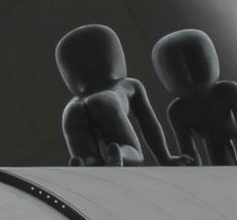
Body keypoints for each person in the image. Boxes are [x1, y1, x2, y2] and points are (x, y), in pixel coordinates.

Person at [150, 29, 237, 166]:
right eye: (180, 66)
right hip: (213, 139)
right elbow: (187, 148)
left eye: (193, 61)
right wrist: (192, 167)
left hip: (234, 129)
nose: (189, 71)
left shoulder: (229, 91)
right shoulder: (177, 111)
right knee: (225, 169)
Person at [54, 24, 175, 166]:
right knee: (131, 150)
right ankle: (120, 153)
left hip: (72, 109)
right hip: (107, 100)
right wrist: (165, 158)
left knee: (86, 155)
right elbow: (149, 125)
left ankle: (84, 162)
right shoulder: (128, 84)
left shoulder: (72, 104)